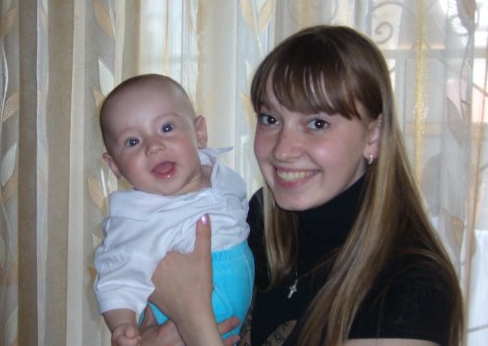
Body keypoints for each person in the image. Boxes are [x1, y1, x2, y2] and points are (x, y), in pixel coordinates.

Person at [141, 25, 464, 346]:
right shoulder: (258, 219)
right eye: (270, 119)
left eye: (317, 124)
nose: (283, 150)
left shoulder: (411, 287)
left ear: (373, 136)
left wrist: (192, 317)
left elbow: (193, 314)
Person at [93, 74, 255, 346]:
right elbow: (116, 279)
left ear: (199, 133)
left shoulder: (222, 177)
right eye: (132, 142)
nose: (153, 146)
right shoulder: (135, 218)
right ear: (115, 166)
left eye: (166, 128)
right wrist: (123, 326)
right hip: (172, 332)